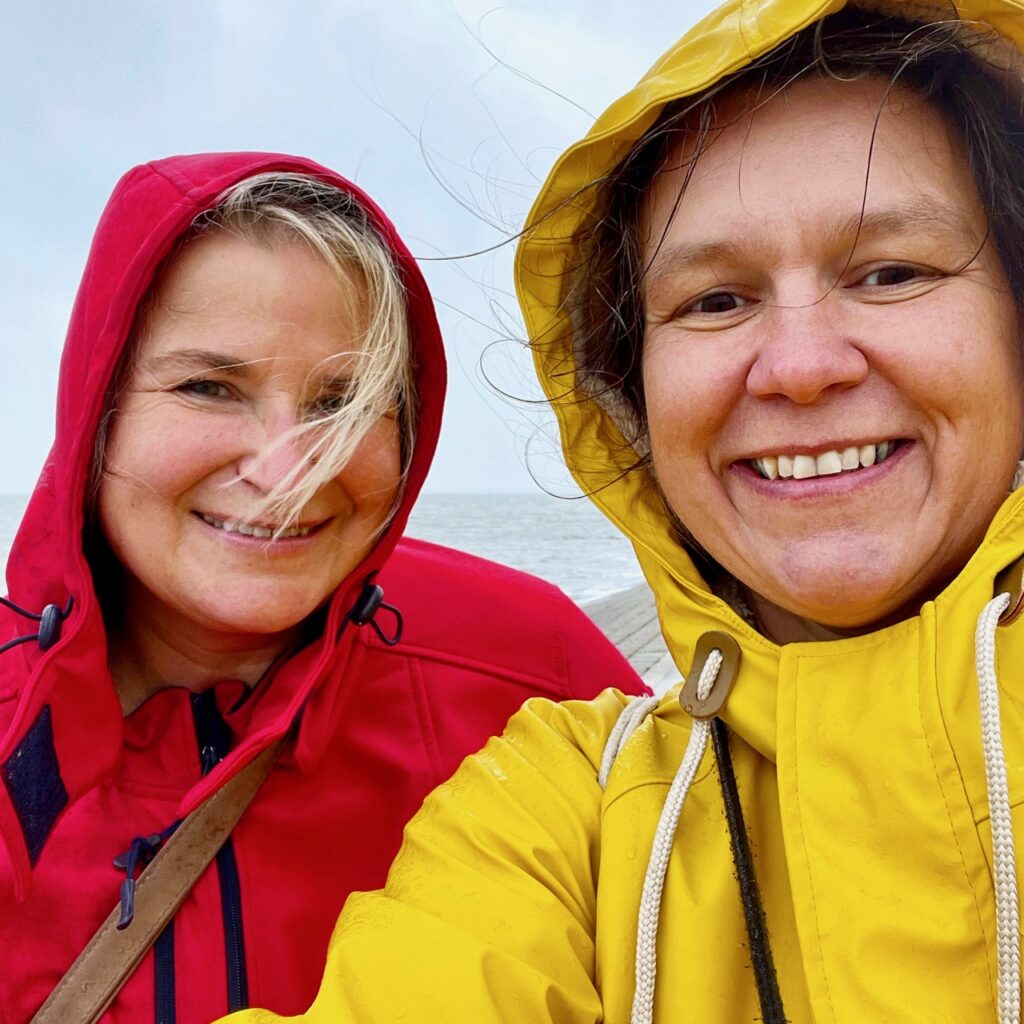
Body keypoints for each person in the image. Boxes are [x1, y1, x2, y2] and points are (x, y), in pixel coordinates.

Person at [217, 1, 1024, 1022]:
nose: (803, 365)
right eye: (715, 300)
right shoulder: (560, 815)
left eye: (891, 273)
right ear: (628, 398)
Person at [0, 152, 645, 1022]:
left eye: (344, 400)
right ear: (97, 406)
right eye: (209, 387)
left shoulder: (528, 671)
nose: (286, 470)